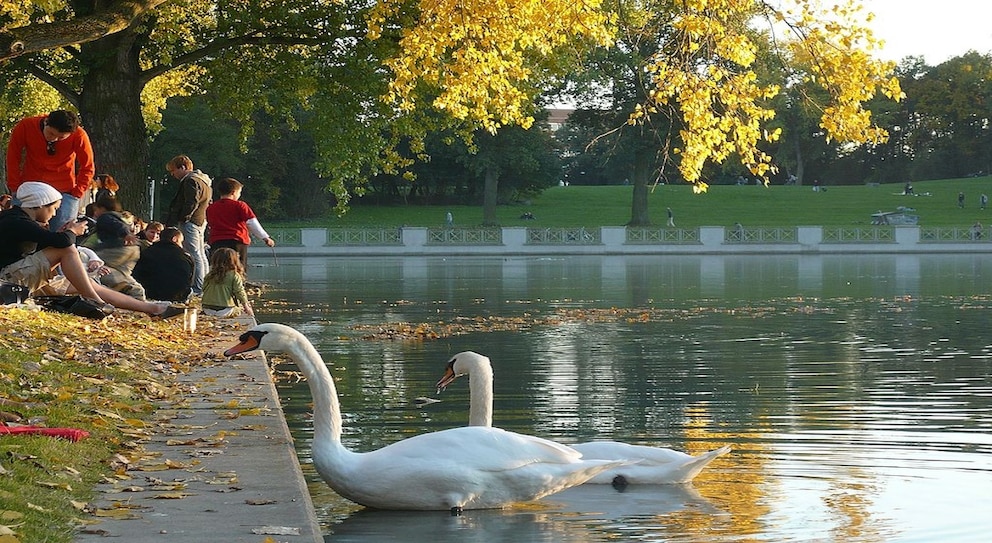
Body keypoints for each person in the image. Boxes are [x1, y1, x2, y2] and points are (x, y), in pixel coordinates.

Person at [0, 182, 182, 318]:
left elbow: (47, 244)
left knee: (89, 283)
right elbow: (63, 243)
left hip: (18, 275)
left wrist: (64, 234)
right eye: (53, 208)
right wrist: (72, 232)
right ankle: (96, 302)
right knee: (68, 250)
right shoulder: (17, 221)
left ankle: (153, 309)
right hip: (9, 278)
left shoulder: (19, 220)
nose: (54, 214)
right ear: (40, 205)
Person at [6, 110, 95, 232]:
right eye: (51, 133)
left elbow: (88, 166)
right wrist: (15, 187)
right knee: (20, 234)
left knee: (63, 238)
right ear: (46, 121)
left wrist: (77, 193)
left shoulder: (79, 135)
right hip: (31, 189)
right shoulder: (26, 126)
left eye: (61, 138)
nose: (54, 139)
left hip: (65, 192)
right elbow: (12, 157)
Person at [164, 155, 211, 295]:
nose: (173, 175)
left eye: (173, 171)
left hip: (191, 222)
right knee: (201, 254)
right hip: (201, 220)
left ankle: (197, 287)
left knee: (194, 254)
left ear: (183, 167)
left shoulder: (190, 181)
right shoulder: (204, 181)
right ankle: (204, 284)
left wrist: (184, 217)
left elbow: (191, 201)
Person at [205, 177, 275, 269]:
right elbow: (251, 222)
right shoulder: (240, 205)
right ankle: (238, 282)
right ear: (233, 192)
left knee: (219, 268)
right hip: (237, 241)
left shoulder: (211, 208)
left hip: (217, 242)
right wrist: (265, 238)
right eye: (239, 192)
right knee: (238, 268)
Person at [133, 227, 194, 302]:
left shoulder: (147, 252)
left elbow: (137, 274)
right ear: (174, 239)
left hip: (150, 293)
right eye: (181, 241)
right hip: (176, 296)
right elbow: (190, 280)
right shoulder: (185, 256)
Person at [200, 247, 253, 318]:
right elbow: (239, 292)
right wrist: (247, 307)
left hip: (207, 309)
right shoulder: (234, 275)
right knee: (239, 310)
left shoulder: (210, 275)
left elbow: (203, 288)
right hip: (225, 310)